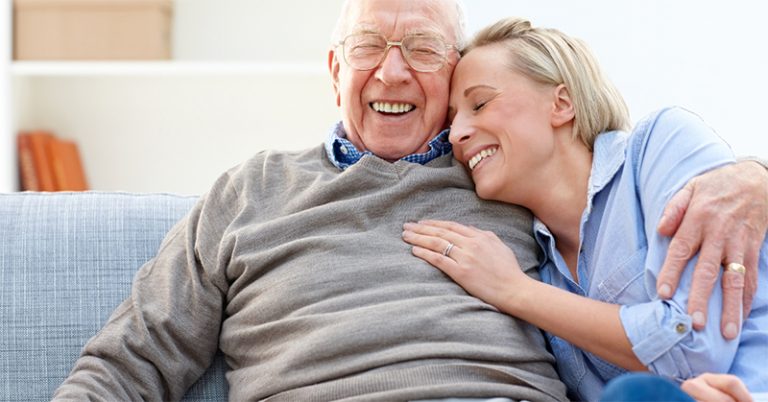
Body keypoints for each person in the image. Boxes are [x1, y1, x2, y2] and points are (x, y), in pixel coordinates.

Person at [53, 1, 768, 400]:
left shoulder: (508, 187)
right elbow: (131, 361)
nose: (392, 71)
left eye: (424, 50)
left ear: (452, 76)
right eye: (369, 46)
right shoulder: (250, 193)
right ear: (334, 71)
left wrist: (756, 177)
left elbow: (649, 340)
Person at [401, 16, 768, 401]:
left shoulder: (657, 148)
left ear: (561, 104)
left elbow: (692, 344)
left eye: (480, 103)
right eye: (452, 121)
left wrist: (514, 291)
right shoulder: (535, 260)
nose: (457, 134)